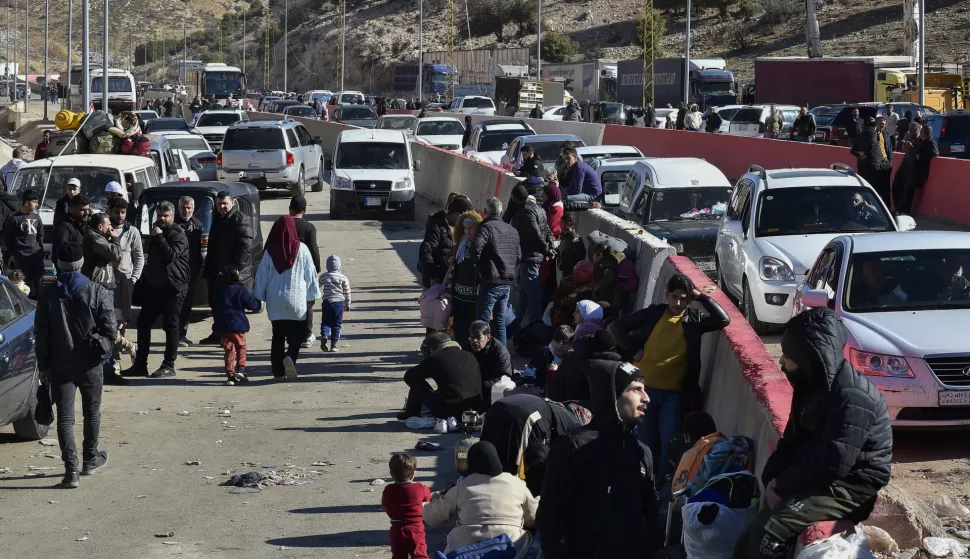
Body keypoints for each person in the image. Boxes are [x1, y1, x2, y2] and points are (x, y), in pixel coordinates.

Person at [734, 308, 892, 559]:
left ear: (809, 356)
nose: (781, 362)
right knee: (748, 538)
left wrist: (784, 485)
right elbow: (792, 440)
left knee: (772, 531)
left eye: (788, 355)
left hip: (850, 487)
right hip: (817, 480)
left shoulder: (852, 397)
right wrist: (772, 478)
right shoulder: (810, 386)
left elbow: (834, 460)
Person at [610, 273, 730, 475]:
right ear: (667, 295)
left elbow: (723, 320)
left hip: (673, 393)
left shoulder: (693, 321)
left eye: (684, 298)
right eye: (674, 297)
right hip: (643, 390)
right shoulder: (653, 315)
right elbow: (617, 325)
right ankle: (643, 477)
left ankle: (664, 480)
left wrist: (701, 297)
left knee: (669, 440)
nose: (678, 302)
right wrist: (632, 348)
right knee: (646, 438)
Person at [538, 358, 658, 558]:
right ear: (612, 395)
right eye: (636, 389)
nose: (646, 398)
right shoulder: (574, 447)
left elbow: (651, 511)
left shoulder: (641, 452)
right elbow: (550, 517)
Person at [36, 242, 115, 489]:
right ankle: (90, 459)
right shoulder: (97, 290)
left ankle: (71, 472)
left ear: (57, 266)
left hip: (60, 365)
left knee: (65, 419)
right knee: (91, 412)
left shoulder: (48, 295)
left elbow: (42, 334)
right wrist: (103, 355)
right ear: (81, 264)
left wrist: (44, 365)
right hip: (91, 363)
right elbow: (110, 329)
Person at [424, 441, 538, 553]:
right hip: (512, 546)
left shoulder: (463, 485)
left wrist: (429, 501)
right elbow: (533, 517)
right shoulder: (516, 483)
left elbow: (432, 517)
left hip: (469, 549)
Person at [123, 201, 190, 379]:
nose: (161, 219)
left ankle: (169, 365)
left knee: (171, 326)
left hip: (173, 287)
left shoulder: (178, 234)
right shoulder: (155, 233)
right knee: (143, 323)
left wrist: (159, 237)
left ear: (172, 217)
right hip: (155, 288)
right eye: (159, 215)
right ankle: (140, 365)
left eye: (165, 216)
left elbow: (170, 257)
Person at [251, 216, 320, 379]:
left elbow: (261, 276)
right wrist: (312, 295)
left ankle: (277, 371)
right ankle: (290, 357)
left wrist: (258, 296)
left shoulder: (269, 252)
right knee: (297, 334)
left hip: (275, 302)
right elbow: (310, 275)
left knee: (278, 336)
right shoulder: (302, 249)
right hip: (296, 300)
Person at [399, 331, 483, 433]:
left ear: (432, 349)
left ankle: (411, 414)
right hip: (475, 410)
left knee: (418, 384)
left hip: (448, 411)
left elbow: (409, 377)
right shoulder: (469, 355)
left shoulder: (435, 359)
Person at [199, 191, 254, 345]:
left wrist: (233, 269)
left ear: (233, 202)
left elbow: (245, 248)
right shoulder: (219, 219)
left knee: (229, 307)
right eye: (219, 204)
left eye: (225, 203)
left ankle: (231, 337)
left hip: (232, 274)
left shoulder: (241, 220)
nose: (222, 207)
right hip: (217, 270)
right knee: (216, 304)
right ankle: (219, 333)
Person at [473, 198, 520, 346]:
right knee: (499, 322)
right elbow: (518, 256)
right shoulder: (512, 230)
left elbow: (475, 250)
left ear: (485, 212)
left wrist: (480, 266)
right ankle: (502, 355)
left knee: (483, 323)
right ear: (501, 211)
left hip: (489, 281)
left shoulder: (486, 228)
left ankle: (484, 355)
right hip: (506, 283)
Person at [509, 185, 553, 331]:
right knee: (525, 293)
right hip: (534, 256)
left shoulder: (524, 211)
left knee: (532, 292)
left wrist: (546, 249)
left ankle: (536, 324)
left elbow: (536, 233)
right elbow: (547, 230)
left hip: (530, 256)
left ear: (515, 198)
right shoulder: (539, 208)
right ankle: (516, 324)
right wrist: (550, 246)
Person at [107, 198, 141, 383]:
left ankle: (116, 362)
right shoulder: (103, 228)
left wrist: (133, 279)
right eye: (116, 212)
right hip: (106, 283)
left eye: (123, 212)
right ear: (110, 211)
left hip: (124, 283)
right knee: (108, 324)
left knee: (120, 324)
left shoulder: (132, 231)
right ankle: (129, 347)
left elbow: (139, 258)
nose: (120, 216)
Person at [212, 266, 262, 385]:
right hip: (237, 325)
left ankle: (230, 376)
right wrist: (258, 303)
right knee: (241, 347)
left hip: (223, 325)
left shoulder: (219, 290)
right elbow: (251, 304)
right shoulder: (240, 289)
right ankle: (241, 369)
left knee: (228, 350)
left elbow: (214, 306)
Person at [382, 452, 432, 559]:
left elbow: (385, 503)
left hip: (396, 529)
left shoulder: (388, 490)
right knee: (420, 555)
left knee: (398, 556)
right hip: (415, 529)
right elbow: (427, 496)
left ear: (391, 474)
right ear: (412, 474)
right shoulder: (419, 488)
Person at [419, 194, 471, 289]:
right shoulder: (437, 225)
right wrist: (433, 276)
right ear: (458, 214)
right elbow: (425, 251)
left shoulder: (462, 229)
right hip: (437, 279)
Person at [289, 196, 322, 347]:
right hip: (304, 267)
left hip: (286, 267)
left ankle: (292, 333)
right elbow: (314, 249)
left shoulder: (283, 224)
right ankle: (307, 334)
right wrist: (318, 269)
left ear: (290, 209)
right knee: (308, 301)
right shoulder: (309, 227)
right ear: (305, 211)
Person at [2, 188, 44, 294]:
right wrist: (15, 253)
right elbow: (7, 238)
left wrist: (40, 250)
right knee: (23, 286)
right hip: (21, 258)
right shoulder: (14, 218)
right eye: (34, 202)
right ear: (26, 202)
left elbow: (41, 235)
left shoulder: (37, 217)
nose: (37, 204)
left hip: (36, 257)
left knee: (39, 283)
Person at [451, 210, 482, 347]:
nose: (468, 231)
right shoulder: (460, 244)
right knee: (459, 323)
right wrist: (452, 260)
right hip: (459, 291)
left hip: (473, 293)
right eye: (465, 228)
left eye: (471, 228)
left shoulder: (481, 243)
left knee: (472, 323)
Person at [175, 196, 203, 347]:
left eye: (188, 207)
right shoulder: (173, 224)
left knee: (187, 306)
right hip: (175, 272)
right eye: (183, 207)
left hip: (190, 273)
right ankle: (175, 335)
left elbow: (198, 252)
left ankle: (182, 335)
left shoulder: (197, 225)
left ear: (193, 208)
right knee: (175, 306)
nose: (185, 210)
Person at [852, 116, 894, 209]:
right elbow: (862, 148)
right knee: (875, 188)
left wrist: (890, 161)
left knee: (886, 189)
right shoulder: (871, 134)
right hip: (874, 165)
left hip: (885, 163)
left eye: (883, 124)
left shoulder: (885, 134)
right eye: (879, 124)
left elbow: (889, 148)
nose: (881, 126)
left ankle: (887, 210)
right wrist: (863, 154)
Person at [468, 320, 513, 405]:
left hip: (493, 391)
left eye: (478, 337)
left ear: (488, 337)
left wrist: (481, 385)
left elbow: (506, 377)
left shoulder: (499, 350)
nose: (474, 341)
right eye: (472, 337)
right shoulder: (468, 346)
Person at [897, 124, 938, 216]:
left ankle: (904, 211)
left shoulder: (930, 142)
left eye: (922, 131)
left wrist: (921, 157)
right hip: (913, 169)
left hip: (919, 172)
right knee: (905, 189)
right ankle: (901, 209)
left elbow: (934, 153)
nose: (921, 132)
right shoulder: (920, 141)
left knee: (909, 190)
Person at [318, 254, 351, 353]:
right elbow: (347, 292)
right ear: (340, 266)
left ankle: (324, 335)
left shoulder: (324, 276)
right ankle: (334, 345)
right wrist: (347, 303)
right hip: (339, 304)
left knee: (326, 322)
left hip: (327, 303)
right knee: (337, 324)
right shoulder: (343, 278)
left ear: (327, 266)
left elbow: (316, 286)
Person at [81, 212, 121, 290]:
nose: (111, 227)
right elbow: (115, 254)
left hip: (103, 284)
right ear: (100, 227)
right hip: (99, 286)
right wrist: (115, 238)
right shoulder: (95, 238)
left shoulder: (100, 236)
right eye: (109, 225)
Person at [526, 324, 572, 390]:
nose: (560, 346)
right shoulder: (543, 353)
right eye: (557, 341)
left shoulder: (573, 356)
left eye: (565, 343)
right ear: (553, 340)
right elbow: (529, 373)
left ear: (571, 344)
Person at [53, 194, 91, 270]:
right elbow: (61, 253)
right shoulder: (65, 228)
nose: (87, 213)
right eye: (82, 210)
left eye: (88, 209)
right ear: (72, 209)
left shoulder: (86, 224)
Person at [556, 213, 585, 281]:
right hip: (565, 270)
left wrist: (575, 269)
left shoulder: (574, 238)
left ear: (568, 223)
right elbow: (561, 248)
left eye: (562, 222)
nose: (560, 224)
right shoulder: (565, 236)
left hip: (571, 273)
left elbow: (581, 254)